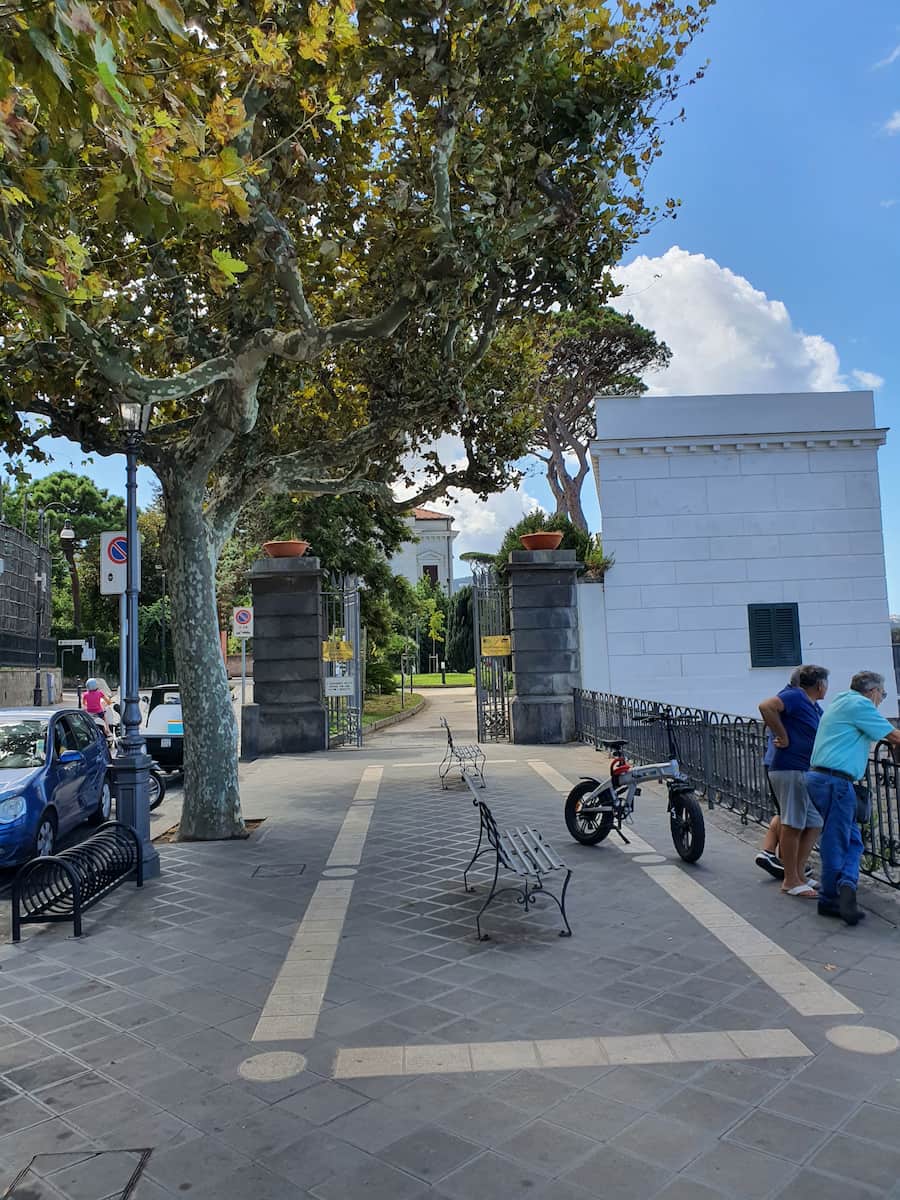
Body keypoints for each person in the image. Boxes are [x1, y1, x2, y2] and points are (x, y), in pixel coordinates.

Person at [806, 671, 900, 926]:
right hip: (835, 782)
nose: (881, 700)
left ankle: (846, 884)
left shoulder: (841, 701)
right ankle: (830, 898)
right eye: (883, 694)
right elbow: (895, 736)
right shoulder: (860, 704)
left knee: (853, 839)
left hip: (822, 778)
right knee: (837, 839)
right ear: (872, 691)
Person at [755, 665, 829, 897]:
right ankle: (790, 880)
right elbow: (766, 706)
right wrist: (783, 736)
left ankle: (799, 874)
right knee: (793, 823)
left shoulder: (811, 704)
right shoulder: (796, 695)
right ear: (820, 685)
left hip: (803, 769)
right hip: (791, 768)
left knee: (814, 822)